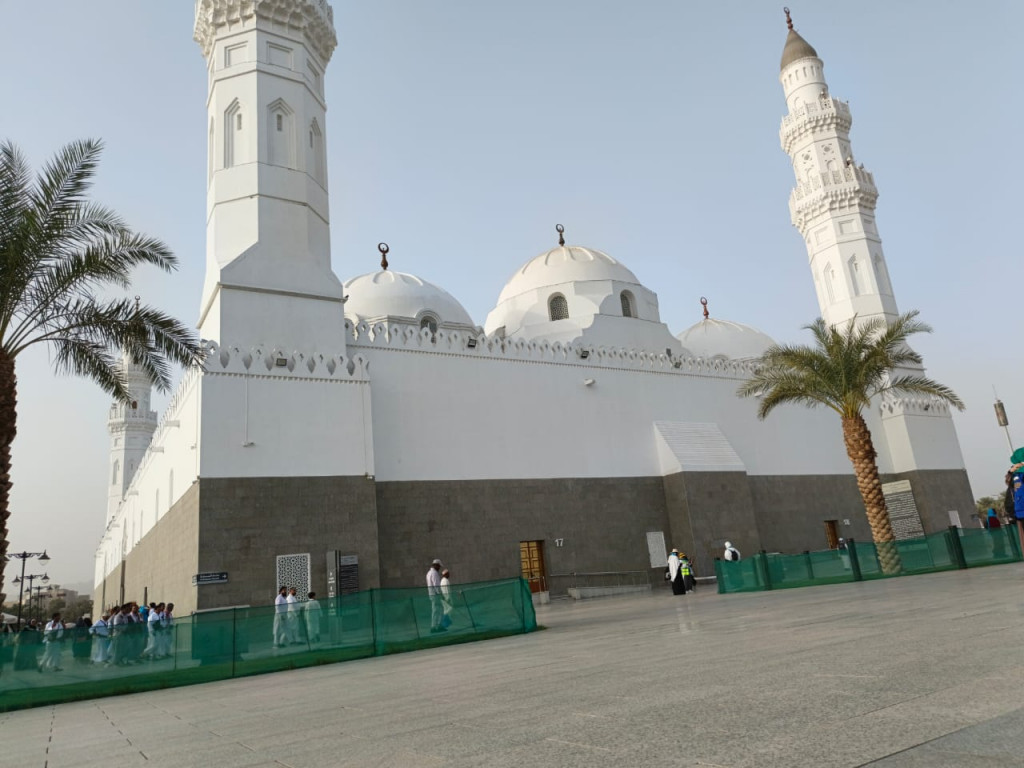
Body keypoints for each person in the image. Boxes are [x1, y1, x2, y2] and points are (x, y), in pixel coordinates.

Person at [426, 559, 444, 632]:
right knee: (438, 610)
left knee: (436, 610)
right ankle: (435, 626)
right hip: (436, 595)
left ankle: (436, 626)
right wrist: (441, 595)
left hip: (431, 594)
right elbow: (436, 585)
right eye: (439, 566)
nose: (439, 568)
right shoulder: (434, 573)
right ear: (436, 565)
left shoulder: (428, 573)